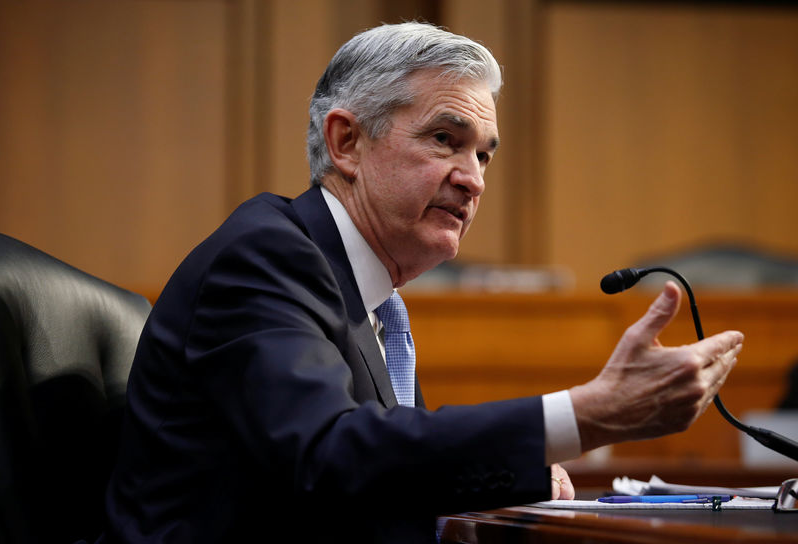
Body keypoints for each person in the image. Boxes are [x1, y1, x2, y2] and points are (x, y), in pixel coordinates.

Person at [100, 22, 743, 543]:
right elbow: (329, 454)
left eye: (483, 154)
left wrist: (468, 498)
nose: (474, 179)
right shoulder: (265, 257)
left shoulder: (369, 296)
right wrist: (586, 414)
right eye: (445, 139)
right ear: (347, 142)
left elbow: (372, 468)